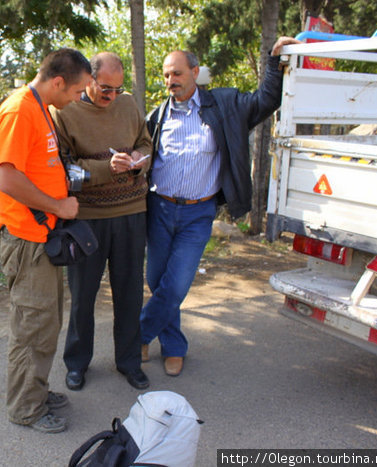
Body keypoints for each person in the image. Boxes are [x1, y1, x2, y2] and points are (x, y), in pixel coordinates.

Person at [142, 37, 301, 377]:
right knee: (157, 281)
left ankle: (138, 336)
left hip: (198, 214)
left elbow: (265, 100)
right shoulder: (156, 117)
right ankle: (172, 345)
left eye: (178, 74)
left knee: (177, 284)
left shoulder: (225, 104)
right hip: (159, 208)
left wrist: (274, 63)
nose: (171, 81)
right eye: (167, 75)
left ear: (195, 72)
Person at [0, 48, 92, 433]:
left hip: (43, 238)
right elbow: (7, 179)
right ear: (58, 82)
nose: (78, 98)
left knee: (46, 322)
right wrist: (58, 206)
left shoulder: (41, 107)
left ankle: (34, 389)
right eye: (77, 90)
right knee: (32, 326)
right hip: (27, 240)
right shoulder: (20, 110)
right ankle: (25, 408)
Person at [50, 52, 152, 391]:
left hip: (131, 214)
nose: (112, 96)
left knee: (130, 294)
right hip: (87, 220)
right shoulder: (66, 111)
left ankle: (129, 362)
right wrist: (105, 169)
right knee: (82, 296)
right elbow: (64, 173)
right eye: (105, 88)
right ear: (89, 80)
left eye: (118, 88)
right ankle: (77, 363)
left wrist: (138, 160)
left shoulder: (128, 104)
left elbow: (145, 143)